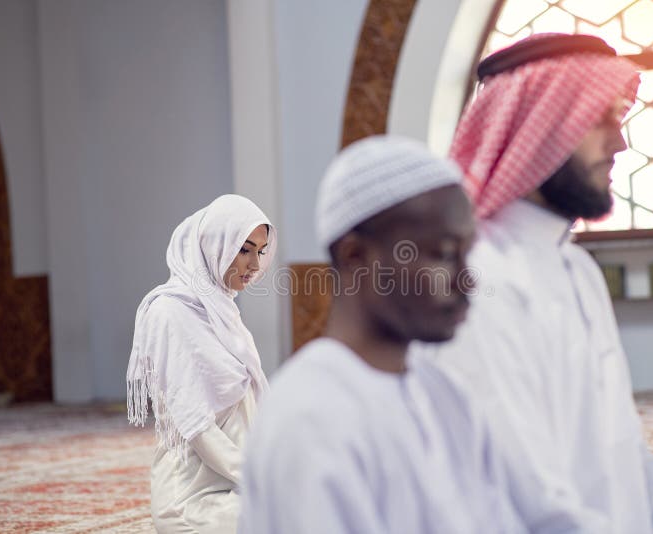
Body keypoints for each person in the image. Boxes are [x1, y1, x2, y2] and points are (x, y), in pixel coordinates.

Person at [435, 33, 653, 533]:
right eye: (598, 116)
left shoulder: (578, 271)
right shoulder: (475, 281)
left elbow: (628, 455)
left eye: (619, 117)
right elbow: (525, 497)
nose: (621, 142)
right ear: (536, 126)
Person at [238, 135, 525, 534]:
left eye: (467, 253)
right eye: (443, 253)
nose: (467, 280)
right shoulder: (309, 418)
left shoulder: (446, 395)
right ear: (356, 256)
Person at [126, 194, 276, 533]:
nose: (255, 265)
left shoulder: (223, 312)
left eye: (261, 251)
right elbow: (198, 427)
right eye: (244, 249)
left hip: (239, 482)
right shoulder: (167, 313)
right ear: (213, 245)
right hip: (193, 498)